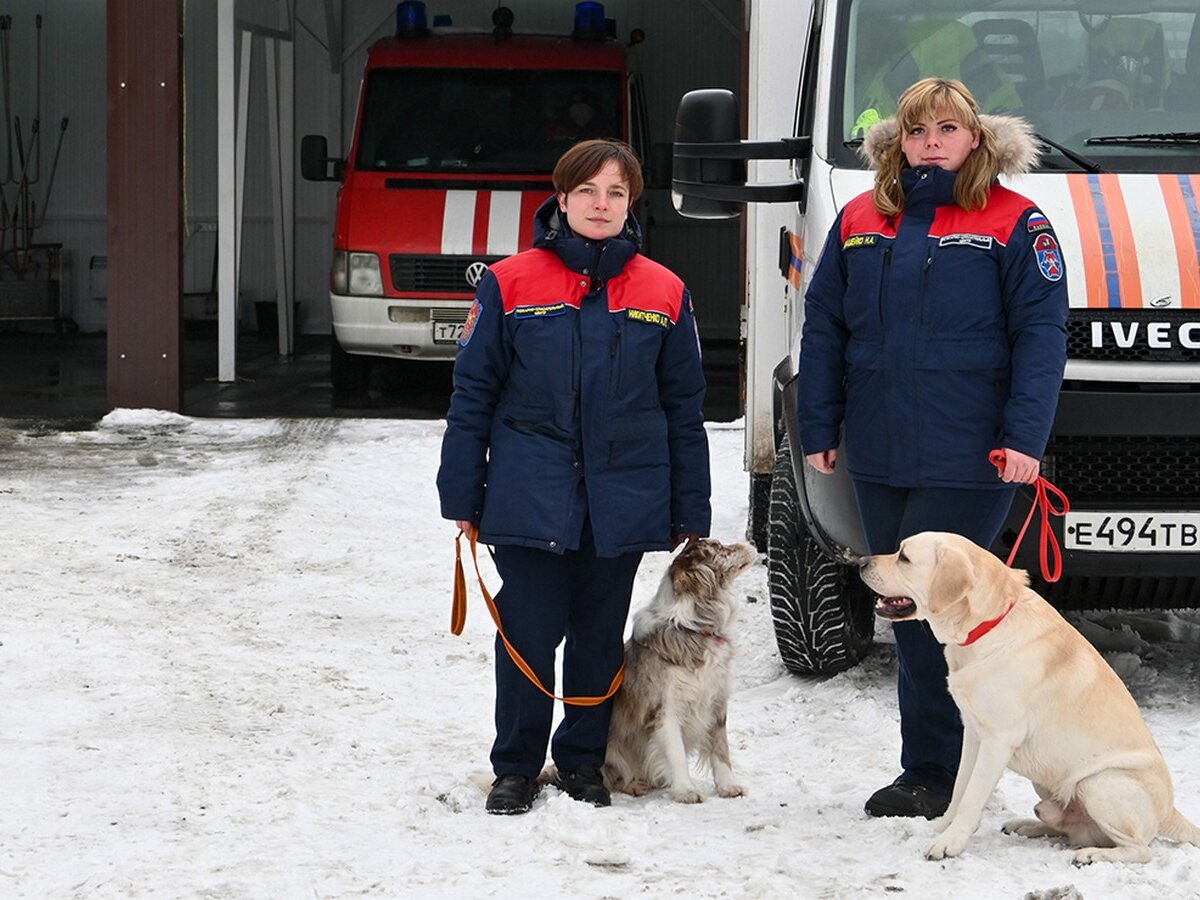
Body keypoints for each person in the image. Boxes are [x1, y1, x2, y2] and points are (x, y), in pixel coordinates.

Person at [797, 78, 1068, 818]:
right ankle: (931, 769)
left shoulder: (1017, 222)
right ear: (900, 141)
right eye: (918, 131)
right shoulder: (860, 218)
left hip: (970, 457)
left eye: (948, 129)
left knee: (948, 616)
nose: (932, 142)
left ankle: (949, 769)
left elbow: (1040, 339)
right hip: (880, 451)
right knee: (906, 609)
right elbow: (824, 327)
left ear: (975, 138)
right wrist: (818, 424)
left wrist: (1023, 438)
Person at [437, 139, 711, 815]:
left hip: (624, 499)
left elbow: (685, 408)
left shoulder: (663, 290)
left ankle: (584, 760)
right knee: (527, 633)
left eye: (616, 193)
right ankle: (517, 766)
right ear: (560, 200)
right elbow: (473, 396)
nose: (601, 204)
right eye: (587, 191)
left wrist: (689, 505)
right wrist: (462, 492)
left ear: (630, 204)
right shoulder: (509, 282)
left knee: (598, 635)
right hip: (531, 495)